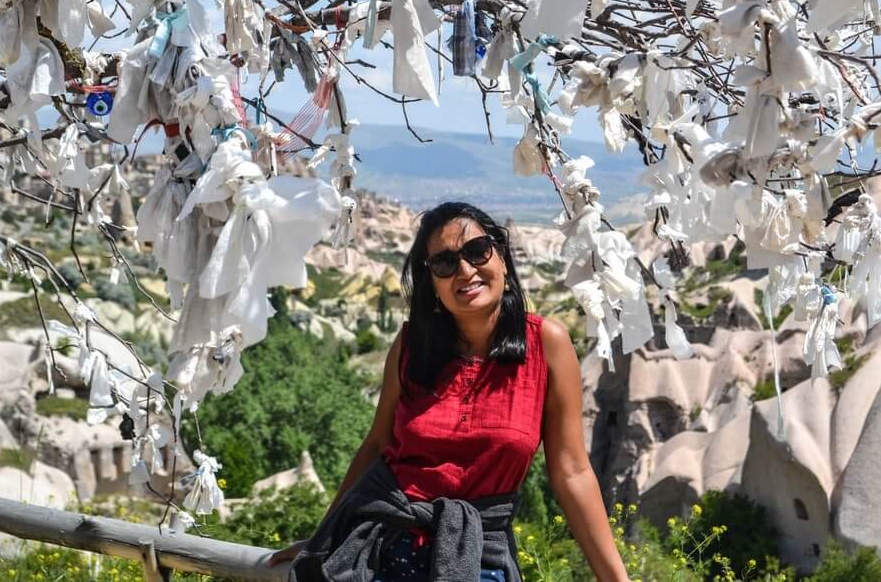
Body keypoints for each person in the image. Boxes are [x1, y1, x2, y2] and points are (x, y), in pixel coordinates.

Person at [268, 201, 630, 581]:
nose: (465, 270)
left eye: (477, 252)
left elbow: (571, 471)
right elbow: (376, 446)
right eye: (444, 263)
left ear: (502, 258)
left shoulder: (545, 344)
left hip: (479, 558)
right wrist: (322, 539)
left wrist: (616, 579)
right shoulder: (411, 346)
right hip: (379, 552)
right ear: (432, 282)